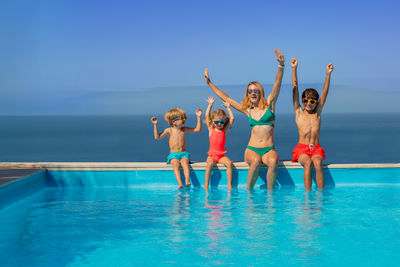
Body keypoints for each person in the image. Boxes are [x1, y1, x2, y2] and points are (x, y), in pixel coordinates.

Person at [204, 49, 285, 190]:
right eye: (250, 91)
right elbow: (226, 97)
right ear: (248, 95)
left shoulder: (270, 106)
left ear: (260, 92)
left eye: (255, 90)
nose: (253, 93)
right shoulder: (248, 110)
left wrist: (281, 66)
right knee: (255, 161)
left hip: (268, 149)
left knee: (273, 161)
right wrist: (209, 83)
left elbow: (277, 85)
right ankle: (250, 193)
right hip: (252, 149)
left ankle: (271, 195)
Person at [291, 57, 334, 190]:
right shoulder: (298, 112)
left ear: (316, 103)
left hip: (316, 148)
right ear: (302, 101)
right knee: (308, 163)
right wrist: (294, 69)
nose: (308, 104)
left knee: (317, 163)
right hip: (301, 148)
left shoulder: (318, 113)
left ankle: (321, 193)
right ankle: (308, 193)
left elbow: (325, 93)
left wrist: (328, 74)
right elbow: (295, 89)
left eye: (312, 101)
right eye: (305, 101)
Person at [151, 107, 202, 189]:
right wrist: (155, 125)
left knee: (185, 162)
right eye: (182, 118)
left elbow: (198, 129)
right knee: (175, 164)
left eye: (185, 117)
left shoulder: (184, 129)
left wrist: (198, 117)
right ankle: (180, 183)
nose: (184, 119)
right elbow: (157, 137)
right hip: (173, 154)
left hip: (183, 153)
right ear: (174, 121)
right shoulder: (169, 130)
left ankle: (187, 180)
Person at [204, 96, 235, 190]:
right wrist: (210, 105)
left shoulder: (224, 130)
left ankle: (229, 185)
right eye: (216, 122)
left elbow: (232, 118)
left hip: (221, 156)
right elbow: (206, 116)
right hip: (212, 156)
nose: (219, 124)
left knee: (229, 163)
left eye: (221, 122)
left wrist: (228, 108)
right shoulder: (211, 129)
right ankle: (206, 185)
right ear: (212, 122)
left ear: (224, 122)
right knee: (209, 164)